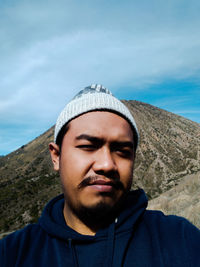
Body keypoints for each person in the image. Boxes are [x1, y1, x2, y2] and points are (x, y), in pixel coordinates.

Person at [0, 84, 200, 267]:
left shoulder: (181, 239)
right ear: (56, 156)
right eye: (88, 147)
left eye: (122, 151)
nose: (106, 164)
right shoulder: (12, 254)